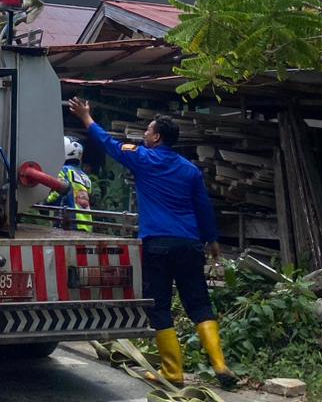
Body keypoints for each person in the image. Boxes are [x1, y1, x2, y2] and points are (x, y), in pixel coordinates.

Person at [68, 97, 236, 389]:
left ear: (156, 137)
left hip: (157, 245)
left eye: (147, 130)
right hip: (189, 245)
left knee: (159, 305)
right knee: (198, 302)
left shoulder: (143, 158)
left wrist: (86, 119)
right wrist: (212, 240)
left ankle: (173, 373)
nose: (144, 134)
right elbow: (203, 208)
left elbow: (109, 143)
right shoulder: (190, 170)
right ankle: (220, 365)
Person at [45, 136, 93, 231]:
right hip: (86, 224)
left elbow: (57, 191)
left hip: (70, 222)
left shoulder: (64, 171)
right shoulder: (86, 177)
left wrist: (46, 201)